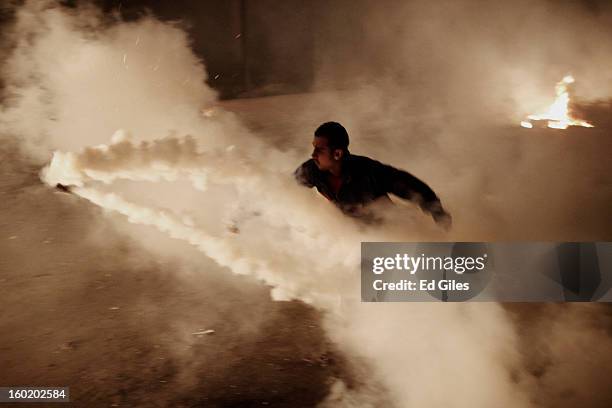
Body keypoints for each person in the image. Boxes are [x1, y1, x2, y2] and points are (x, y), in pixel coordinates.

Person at [294, 121, 452, 228]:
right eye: (314, 148)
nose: (313, 154)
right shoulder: (312, 170)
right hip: (351, 232)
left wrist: (439, 214)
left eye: (319, 150)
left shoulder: (369, 172)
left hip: (391, 230)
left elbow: (412, 186)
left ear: (337, 153)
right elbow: (284, 188)